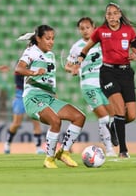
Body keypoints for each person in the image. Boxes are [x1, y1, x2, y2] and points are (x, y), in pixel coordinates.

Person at [74, 3, 136, 158]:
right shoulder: (100, 31)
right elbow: (85, 49)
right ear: (106, 16)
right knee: (118, 109)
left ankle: (113, 126)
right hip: (108, 72)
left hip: (125, 73)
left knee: (131, 115)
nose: (111, 16)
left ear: (119, 15)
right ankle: (123, 150)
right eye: (108, 14)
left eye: (114, 13)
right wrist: (78, 61)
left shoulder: (129, 31)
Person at [15, 25, 86, 168]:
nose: (51, 42)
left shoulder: (51, 55)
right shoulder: (31, 51)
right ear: (39, 38)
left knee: (79, 117)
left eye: (53, 39)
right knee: (55, 121)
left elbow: (49, 81)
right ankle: (49, 159)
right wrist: (34, 73)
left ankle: (64, 153)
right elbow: (19, 68)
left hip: (49, 97)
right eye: (48, 38)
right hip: (33, 97)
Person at [65, 17, 116, 157]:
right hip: (88, 86)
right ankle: (110, 149)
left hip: (105, 84)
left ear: (94, 27)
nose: (85, 31)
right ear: (79, 30)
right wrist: (73, 70)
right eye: (82, 28)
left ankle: (114, 142)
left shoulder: (102, 43)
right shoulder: (77, 47)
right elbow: (67, 65)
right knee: (104, 118)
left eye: (88, 27)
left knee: (114, 117)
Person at [4, 73, 45, 154]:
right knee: (16, 123)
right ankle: (7, 143)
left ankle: (38, 147)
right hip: (20, 95)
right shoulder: (20, 65)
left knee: (36, 122)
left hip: (32, 96)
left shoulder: (35, 65)